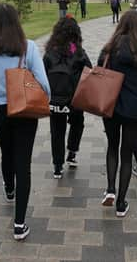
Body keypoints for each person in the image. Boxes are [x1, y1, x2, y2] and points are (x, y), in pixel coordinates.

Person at [0, 3, 51, 241]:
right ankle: (19, 223)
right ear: (17, 21)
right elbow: (44, 82)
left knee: (6, 151)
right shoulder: (28, 48)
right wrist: (48, 101)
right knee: (23, 163)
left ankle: (9, 188)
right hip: (25, 110)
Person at [98, 11, 137, 217]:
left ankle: (109, 189)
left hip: (109, 105)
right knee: (127, 155)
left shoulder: (109, 49)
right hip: (135, 108)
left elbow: (99, 72)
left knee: (112, 147)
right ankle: (121, 202)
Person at [44, 17, 92, 179]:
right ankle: (72, 151)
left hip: (55, 99)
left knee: (57, 131)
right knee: (78, 123)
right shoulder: (78, 51)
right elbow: (89, 71)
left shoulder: (51, 51)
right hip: (74, 98)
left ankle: (58, 166)